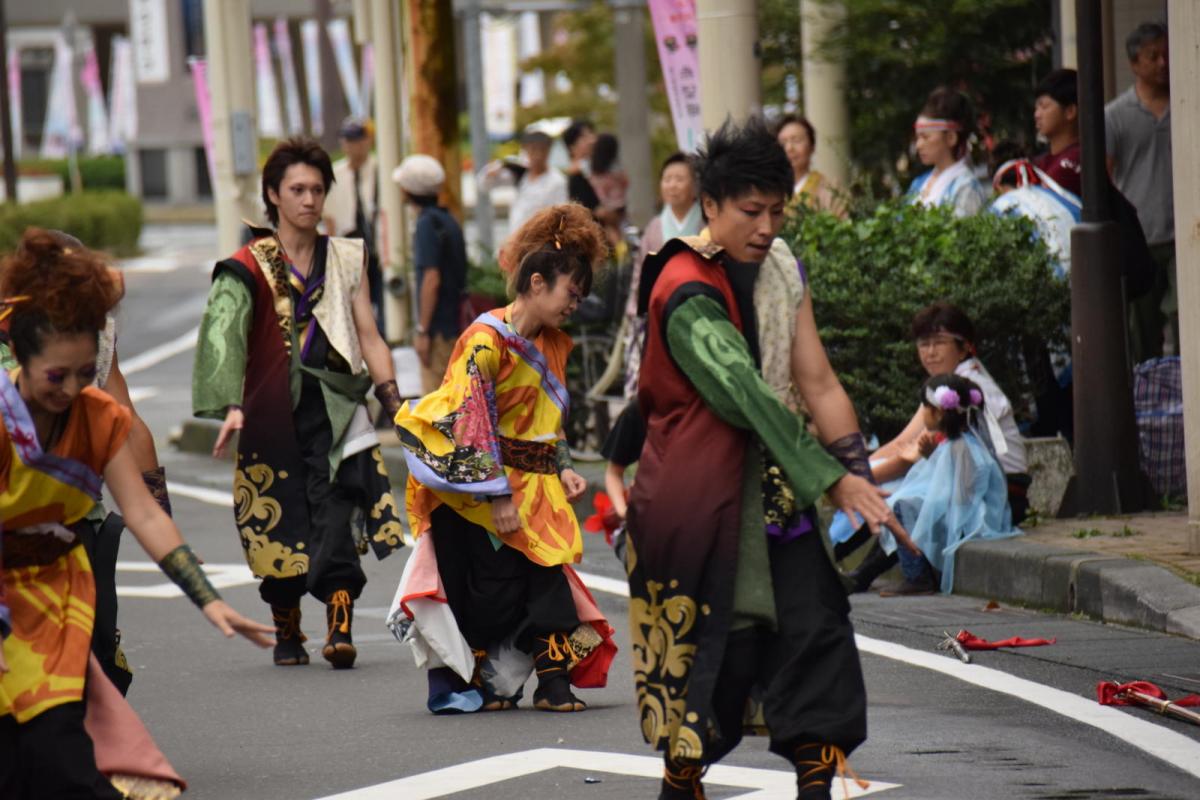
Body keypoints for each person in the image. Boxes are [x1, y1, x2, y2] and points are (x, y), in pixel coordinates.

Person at [629, 117, 913, 800]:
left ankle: (815, 784)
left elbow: (815, 381)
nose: (766, 225)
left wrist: (859, 478)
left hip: (781, 497)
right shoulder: (681, 281)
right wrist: (832, 478)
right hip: (704, 505)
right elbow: (745, 394)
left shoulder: (782, 266)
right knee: (723, 659)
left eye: (777, 210)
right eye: (751, 211)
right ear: (712, 206)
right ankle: (683, 779)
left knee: (818, 634)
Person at [0, 230, 273, 800]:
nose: (73, 389)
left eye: (83, 373)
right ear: (19, 355)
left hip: (54, 598)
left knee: (64, 757)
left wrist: (209, 598)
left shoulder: (96, 413)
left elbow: (143, 512)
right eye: (57, 376)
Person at [391, 203, 617, 715]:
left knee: (550, 575)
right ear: (536, 283)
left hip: (537, 484)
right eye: (569, 294)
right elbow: (469, 417)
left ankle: (554, 685)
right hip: (477, 489)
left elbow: (547, 422)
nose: (573, 307)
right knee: (484, 590)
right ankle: (486, 681)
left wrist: (562, 466)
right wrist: (494, 494)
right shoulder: (484, 338)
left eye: (580, 298)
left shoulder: (555, 345)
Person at [192, 138, 406, 669]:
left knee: (337, 510)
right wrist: (231, 406)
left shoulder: (345, 258)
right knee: (279, 524)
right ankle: (287, 628)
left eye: (317, 189)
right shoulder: (247, 266)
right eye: (297, 189)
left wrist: (395, 401)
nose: (309, 199)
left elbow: (370, 335)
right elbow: (226, 337)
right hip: (271, 412)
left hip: (336, 408)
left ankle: (339, 624)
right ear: (273, 195)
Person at [0, 230, 172, 695]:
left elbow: (125, 417)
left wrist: (159, 513)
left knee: (94, 653)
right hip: (13, 533)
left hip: (81, 518)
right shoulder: (12, 338)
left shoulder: (97, 334)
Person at [844, 302, 1030, 592]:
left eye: (939, 343)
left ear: (964, 346)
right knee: (891, 492)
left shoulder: (960, 387)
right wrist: (857, 474)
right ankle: (856, 570)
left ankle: (876, 573)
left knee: (898, 498)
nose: (930, 352)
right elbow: (900, 444)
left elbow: (905, 447)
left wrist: (856, 478)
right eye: (923, 344)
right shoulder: (949, 384)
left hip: (1000, 488)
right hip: (978, 481)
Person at [875, 373, 1021, 595]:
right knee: (904, 503)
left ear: (937, 411)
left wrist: (934, 508)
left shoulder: (963, 447)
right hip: (962, 511)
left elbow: (964, 496)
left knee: (901, 507)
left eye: (924, 406)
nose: (922, 411)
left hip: (970, 519)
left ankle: (917, 577)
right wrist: (930, 454)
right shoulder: (957, 443)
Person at [1106, 21, 1175, 361]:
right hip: (1142, 236)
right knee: (1143, 333)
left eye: (1166, 54)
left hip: (1184, 236)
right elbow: (1104, 177)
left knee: (1185, 320)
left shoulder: (1187, 104)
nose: (1163, 63)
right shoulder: (1115, 116)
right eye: (1153, 56)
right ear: (1134, 63)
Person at [623, 152, 703, 397]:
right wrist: (636, 307)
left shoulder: (706, 224)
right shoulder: (655, 227)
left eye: (680, 179)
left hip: (697, 310)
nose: (672, 185)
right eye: (667, 179)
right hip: (658, 311)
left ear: (695, 185)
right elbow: (641, 272)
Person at [394, 154, 468, 394]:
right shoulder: (448, 220)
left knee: (439, 407)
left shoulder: (426, 224)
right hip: (455, 325)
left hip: (439, 332)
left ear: (408, 189)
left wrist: (423, 331)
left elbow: (431, 279)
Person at [323, 116, 384, 331]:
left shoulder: (380, 169)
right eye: (348, 140)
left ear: (369, 141)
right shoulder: (335, 174)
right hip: (348, 248)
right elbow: (328, 217)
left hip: (377, 249)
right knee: (352, 312)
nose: (353, 145)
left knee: (382, 307)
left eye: (358, 139)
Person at [907, 87, 988, 217]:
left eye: (925, 137)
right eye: (917, 138)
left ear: (951, 138)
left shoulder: (966, 188)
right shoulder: (918, 184)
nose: (918, 145)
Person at [479, 129, 569, 233]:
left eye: (542, 150)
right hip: (516, 236)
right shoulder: (521, 174)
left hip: (540, 239)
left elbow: (561, 216)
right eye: (533, 149)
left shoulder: (557, 180)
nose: (538, 155)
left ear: (548, 150)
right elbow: (483, 185)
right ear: (526, 150)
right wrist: (498, 166)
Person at [775, 114, 841, 214]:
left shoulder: (830, 190)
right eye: (783, 143)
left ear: (812, 146)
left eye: (796, 140)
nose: (789, 148)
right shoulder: (769, 191)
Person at [1032, 69, 1082, 197]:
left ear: (1070, 111)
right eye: (1036, 108)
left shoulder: (1074, 161)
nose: (1036, 114)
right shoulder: (1043, 162)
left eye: (1044, 106)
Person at [562, 119, 601, 211]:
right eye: (584, 137)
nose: (592, 140)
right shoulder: (574, 178)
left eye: (592, 134)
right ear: (572, 147)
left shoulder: (595, 168)